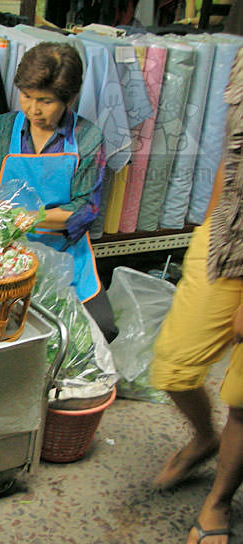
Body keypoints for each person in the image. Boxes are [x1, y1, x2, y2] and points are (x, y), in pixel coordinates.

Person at [0, 41, 118, 342]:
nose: (32, 109)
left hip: (64, 252)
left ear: (69, 98)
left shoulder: (88, 138)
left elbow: (86, 209)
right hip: (4, 248)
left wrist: (29, 218)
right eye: (26, 96)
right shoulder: (1, 128)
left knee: (99, 329)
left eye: (45, 101)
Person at [150, 48, 243, 544]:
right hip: (227, 233)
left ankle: (219, 502)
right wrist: (209, 224)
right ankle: (206, 437)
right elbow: (236, 152)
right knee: (173, 363)